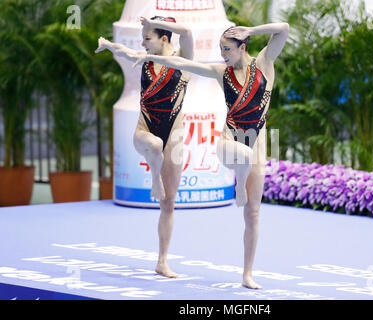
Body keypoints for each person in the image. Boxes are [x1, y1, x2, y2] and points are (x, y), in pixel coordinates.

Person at [129, 22, 289, 289]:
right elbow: (185, 64)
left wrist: (251, 29)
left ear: (243, 46)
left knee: (253, 213)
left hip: (256, 144)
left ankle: (247, 274)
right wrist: (150, 56)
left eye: (228, 49)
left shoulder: (264, 64)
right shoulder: (220, 71)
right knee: (243, 156)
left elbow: (282, 28)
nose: (224, 54)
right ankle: (239, 179)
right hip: (228, 142)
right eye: (220, 49)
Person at [95, 16, 194, 278]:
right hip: (144, 131)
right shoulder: (146, 58)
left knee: (169, 204)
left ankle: (162, 260)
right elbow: (125, 50)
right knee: (154, 142)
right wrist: (107, 44)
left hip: (173, 140)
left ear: (164, 38)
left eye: (147, 37)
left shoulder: (184, 59)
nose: (142, 42)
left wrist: (155, 21)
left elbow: (186, 31)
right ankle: (154, 178)